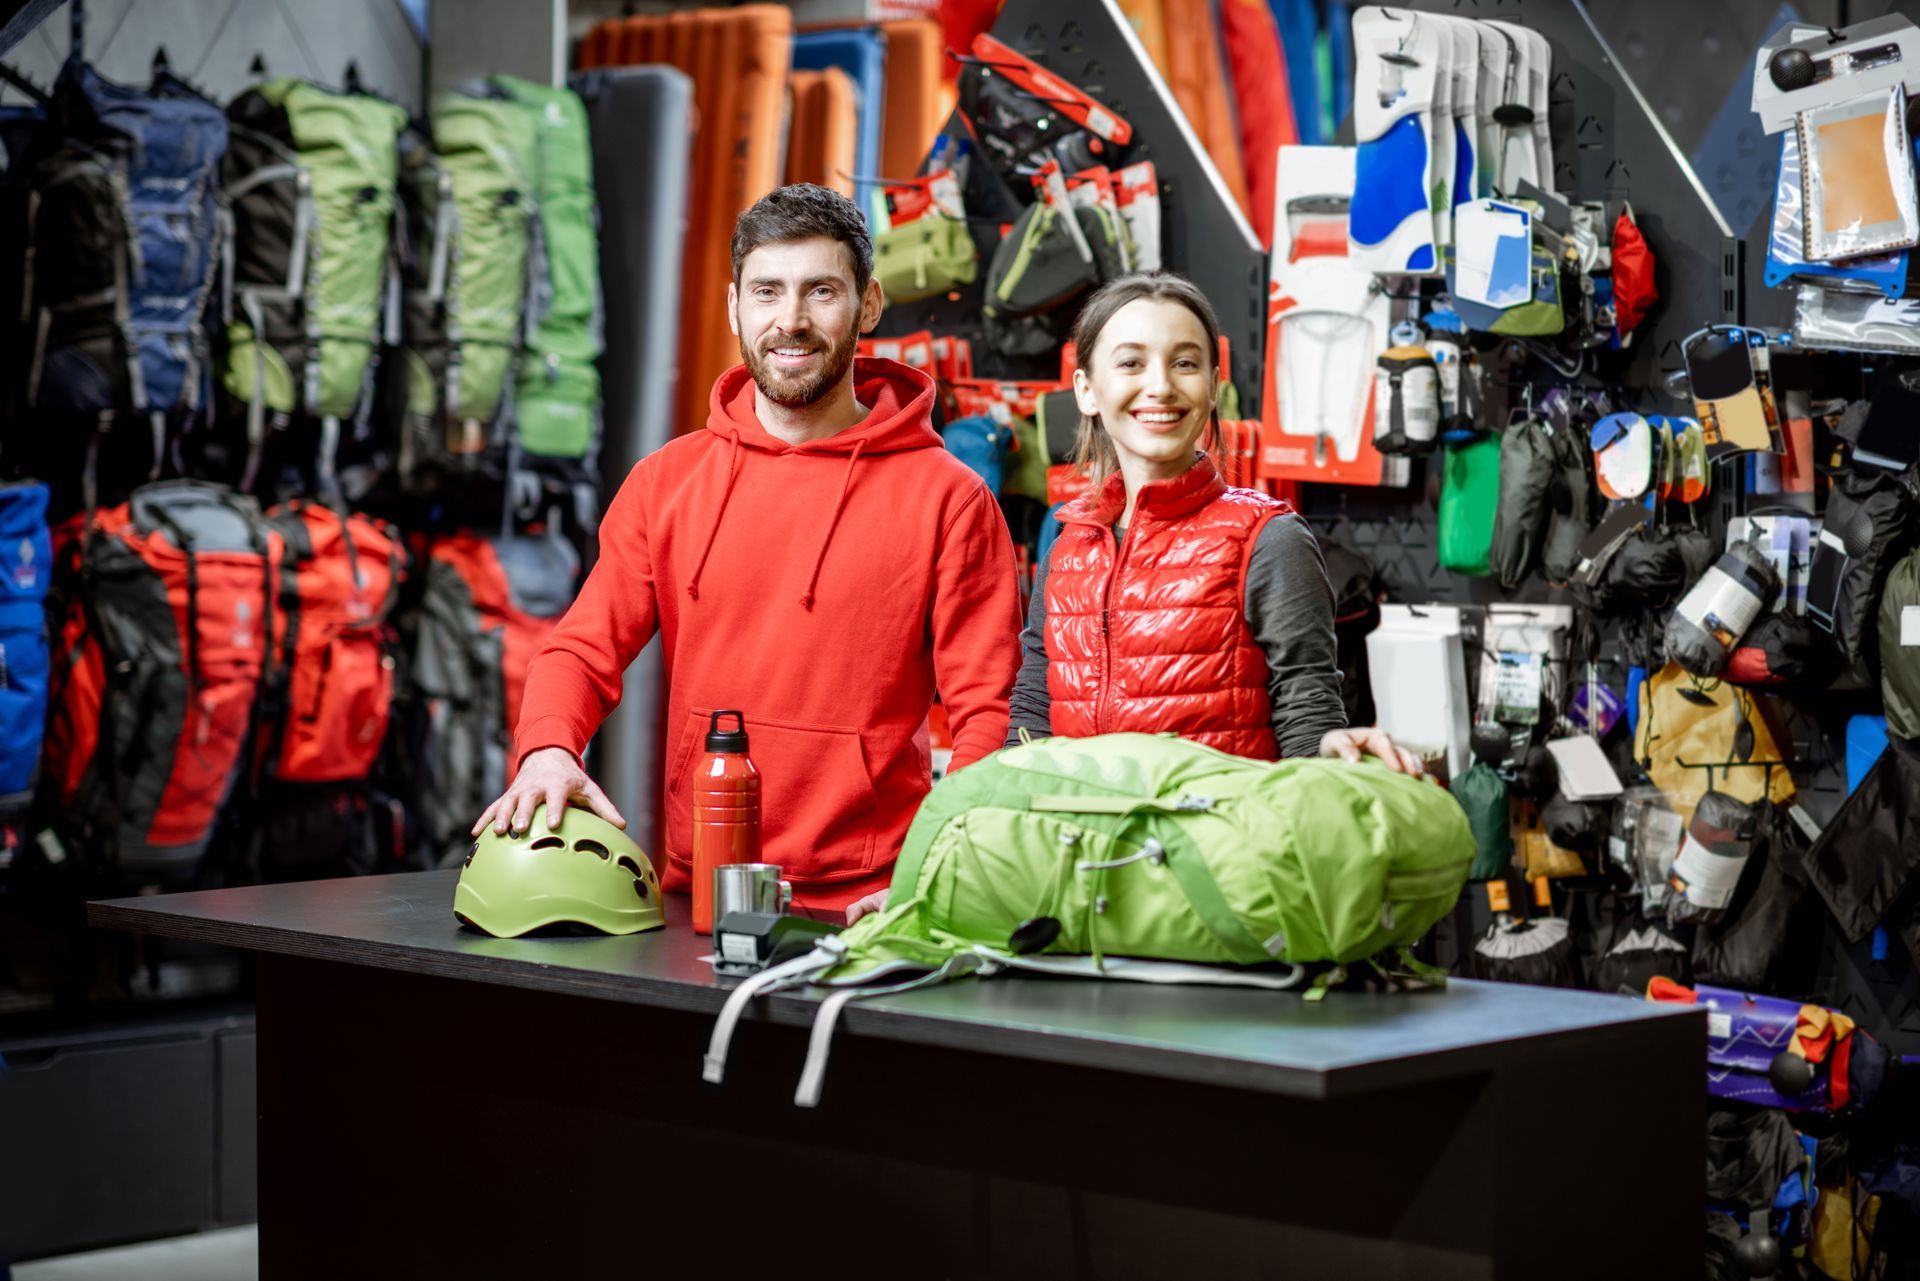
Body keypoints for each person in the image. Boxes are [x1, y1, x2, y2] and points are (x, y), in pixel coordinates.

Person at [474, 184, 1022, 918]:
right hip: (697, 891)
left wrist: (942, 866)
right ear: (735, 305)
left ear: (867, 305)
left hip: (873, 907)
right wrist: (547, 748)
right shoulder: (668, 481)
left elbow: (988, 709)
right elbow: (580, 649)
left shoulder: (949, 500)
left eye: (820, 291)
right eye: (767, 291)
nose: (789, 320)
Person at [1006, 271, 1423, 771]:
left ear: (1212, 386)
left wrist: (1333, 750)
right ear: (1087, 389)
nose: (1159, 386)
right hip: (1086, 844)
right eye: (1131, 363)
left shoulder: (1269, 540)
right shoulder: (1068, 551)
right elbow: (1031, 719)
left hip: (1220, 843)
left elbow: (1308, 718)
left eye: (1184, 363)